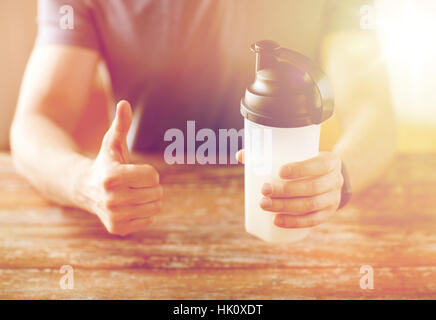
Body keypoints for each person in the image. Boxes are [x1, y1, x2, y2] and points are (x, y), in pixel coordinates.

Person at [10, 0, 396, 236]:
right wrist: (84, 183)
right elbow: (37, 120)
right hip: (145, 217)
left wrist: (341, 176)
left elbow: (373, 110)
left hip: (285, 213)